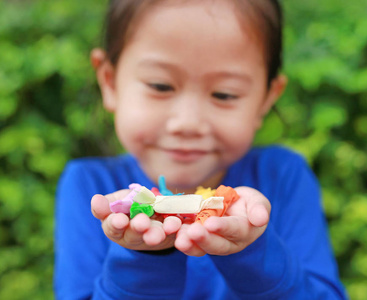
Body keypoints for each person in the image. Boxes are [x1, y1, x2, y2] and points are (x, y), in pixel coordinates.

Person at [54, 0, 348, 299]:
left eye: (224, 94)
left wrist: (253, 251)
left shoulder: (284, 176)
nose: (188, 123)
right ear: (110, 82)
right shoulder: (89, 188)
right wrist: (145, 257)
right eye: (160, 86)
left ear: (266, 99)